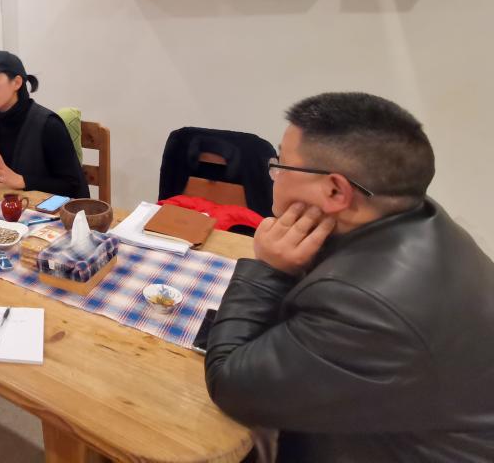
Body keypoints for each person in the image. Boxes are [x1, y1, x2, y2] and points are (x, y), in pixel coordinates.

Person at [204, 92, 494, 462]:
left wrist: (269, 268)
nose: (274, 174)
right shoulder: (415, 214)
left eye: (282, 165)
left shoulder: (365, 305)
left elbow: (231, 385)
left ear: (334, 190)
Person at [0, 50, 88, 198]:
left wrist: (24, 181)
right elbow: (0, 176)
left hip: (45, 210)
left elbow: (73, 186)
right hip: (6, 207)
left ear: (17, 82)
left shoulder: (49, 125)